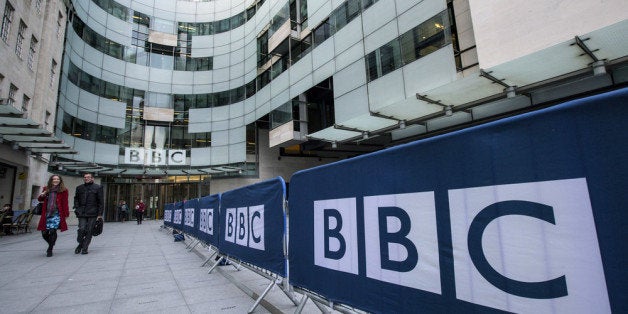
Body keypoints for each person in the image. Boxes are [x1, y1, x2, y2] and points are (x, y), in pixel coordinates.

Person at [36, 175, 70, 257]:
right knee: (44, 232)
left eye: (57, 179)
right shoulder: (46, 189)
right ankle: (51, 242)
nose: (56, 180)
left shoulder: (64, 190)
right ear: (51, 180)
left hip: (57, 213)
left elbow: (65, 202)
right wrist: (43, 194)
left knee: (52, 231)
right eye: (54, 179)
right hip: (47, 213)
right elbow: (40, 199)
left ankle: (50, 249)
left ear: (60, 180)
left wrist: (66, 214)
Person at [73, 173, 103, 255]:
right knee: (81, 229)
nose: (86, 178)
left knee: (89, 230)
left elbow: (101, 201)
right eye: (85, 177)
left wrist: (100, 214)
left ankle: (84, 248)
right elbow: (76, 199)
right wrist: (77, 207)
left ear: (92, 178)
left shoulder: (98, 187)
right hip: (82, 212)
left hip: (93, 212)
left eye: (88, 177)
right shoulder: (79, 188)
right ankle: (81, 243)